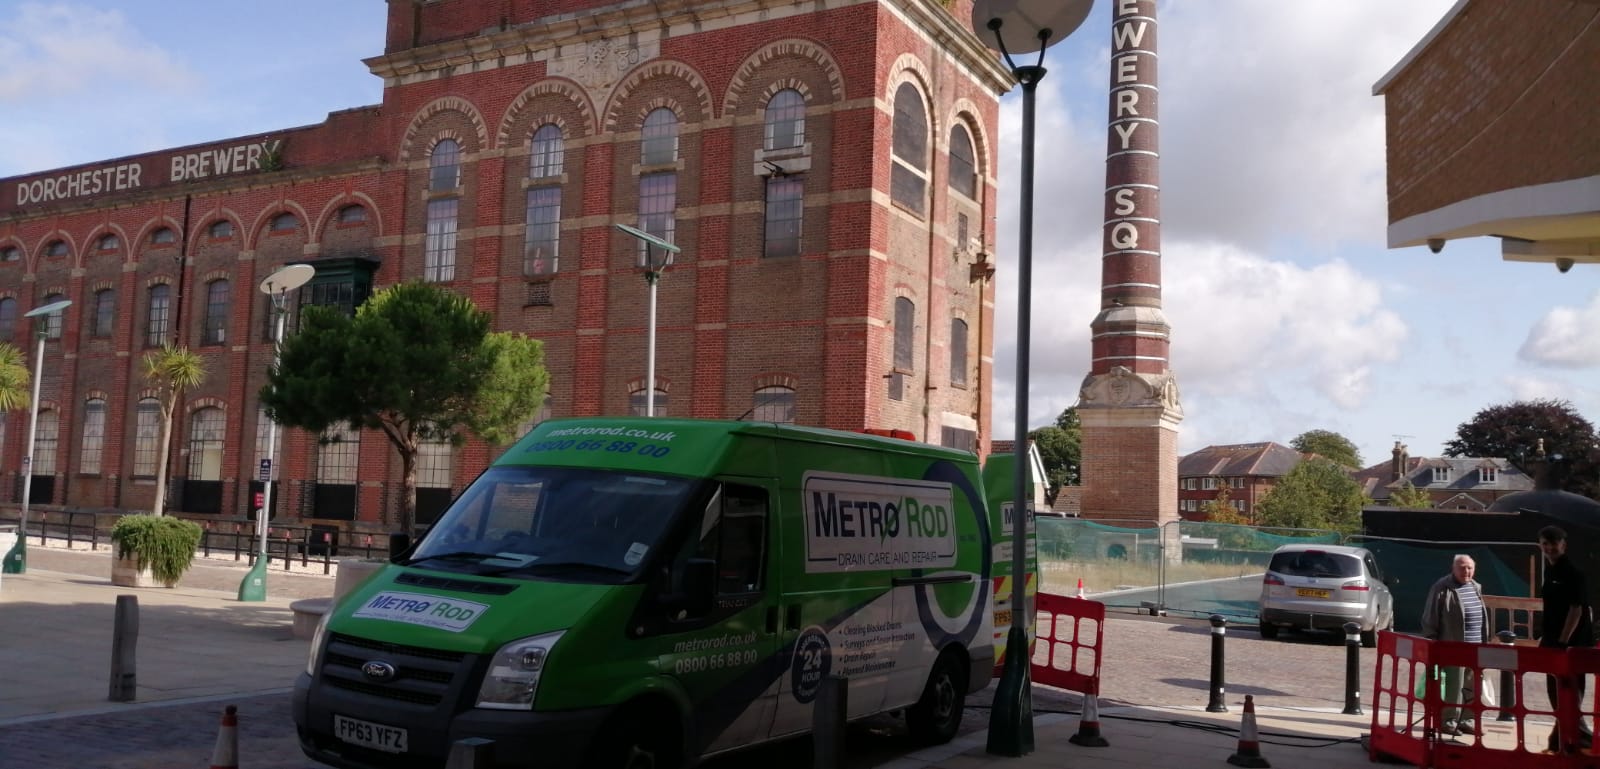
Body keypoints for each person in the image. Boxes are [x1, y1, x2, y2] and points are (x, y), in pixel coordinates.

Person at [1539, 525, 1595, 753]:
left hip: (1570, 646)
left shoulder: (1572, 573)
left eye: (1554, 543)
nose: (1550, 547)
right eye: (1545, 543)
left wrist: (1562, 642)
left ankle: (1581, 742)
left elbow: (1577, 609)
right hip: (1554, 642)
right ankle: (1563, 741)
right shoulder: (1550, 571)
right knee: (1558, 694)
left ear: (1564, 545)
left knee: (1569, 693)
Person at [1420, 554, 1489, 735]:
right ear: (1453, 568)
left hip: (1475, 648)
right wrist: (1432, 642)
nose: (1466, 571)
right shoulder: (1442, 587)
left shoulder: (1475, 586)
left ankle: (1467, 719)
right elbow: (1430, 618)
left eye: (1470, 568)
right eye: (1462, 567)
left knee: (1472, 686)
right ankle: (1448, 720)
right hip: (1452, 647)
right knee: (1453, 686)